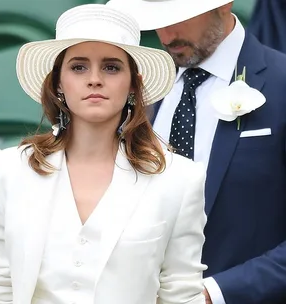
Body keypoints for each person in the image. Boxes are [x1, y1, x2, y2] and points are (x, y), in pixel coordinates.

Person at [0, 3, 208, 304]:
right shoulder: (9, 169)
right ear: (59, 81)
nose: (94, 79)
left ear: (133, 84)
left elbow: (182, 295)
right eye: (79, 67)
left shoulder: (179, 179)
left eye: (111, 67)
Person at [106, 0, 286, 303]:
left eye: (179, 17)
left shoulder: (281, 83)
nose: (166, 34)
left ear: (225, 5)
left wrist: (213, 293)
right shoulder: (137, 91)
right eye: (155, 20)